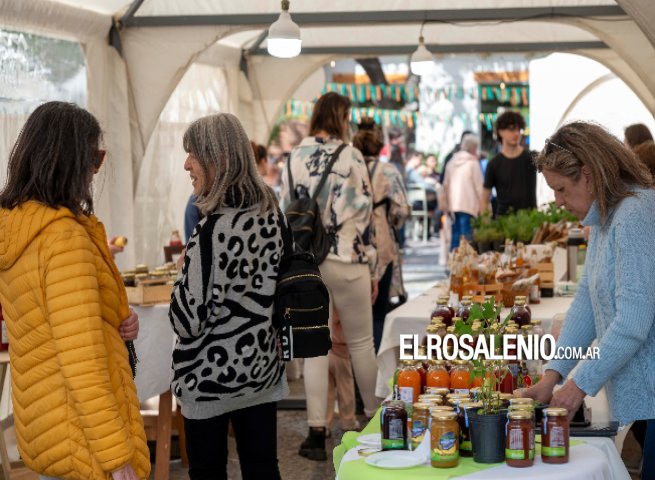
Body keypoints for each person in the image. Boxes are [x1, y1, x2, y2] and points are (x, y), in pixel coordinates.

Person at [0, 102, 150, 480]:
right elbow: (83, 361)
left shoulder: (18, 226)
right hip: (83, 436)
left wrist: (114, 318)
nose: (95, 170)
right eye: (93, 157)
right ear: (70, 160)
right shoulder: (64, 238)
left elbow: (46, 320)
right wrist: (117, 457)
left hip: (47, 421)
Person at [519, 121, 655, 480]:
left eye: (562, 189)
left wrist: (578, 387)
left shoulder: (634, 215)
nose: (558, 201)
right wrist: (552, 376)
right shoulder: (606, 216)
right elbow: (586, 303)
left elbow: (632, 323)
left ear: (589, 175)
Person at [170, 113, 287, 480]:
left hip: (209, 381)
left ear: (218, 159)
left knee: (207, 471)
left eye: (193, 155)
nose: (187, 164)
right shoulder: (272, 212)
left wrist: (181, 274)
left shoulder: (210, 230)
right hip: (261, 370)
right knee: (263, 467)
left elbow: (187, 322)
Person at [280, 92, 379, 461]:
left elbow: (285, 208)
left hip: (309, 264)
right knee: (360, 344)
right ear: (342, 117)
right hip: (349, 259)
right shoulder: (352, 155)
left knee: (315, 348)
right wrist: (371, 266)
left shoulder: (295, 156)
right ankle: (371, 422)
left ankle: (315, 432)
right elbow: (366, 216)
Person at [353, 118, 410, 352]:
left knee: (354, 316)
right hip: (381, 241)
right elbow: (402, 209)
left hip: (353, 242)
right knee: (378, 313)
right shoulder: (387, 171)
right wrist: (391, 220)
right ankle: (375, 370)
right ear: (378, 146)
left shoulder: (348, 169)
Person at [480, 111, 536, 217]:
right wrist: (485, 227)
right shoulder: (493, 164)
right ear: (500, 132)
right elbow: (484, 198)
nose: (516, 133)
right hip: (503, 223)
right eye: (511, 129)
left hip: (530, 221)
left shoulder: (532, 157)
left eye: (518, 129)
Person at [441, 133, 483, 251]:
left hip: (453, 205)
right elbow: (479, 187)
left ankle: (454, 263)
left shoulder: (451, 162)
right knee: (467, 237)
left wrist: (447, 204)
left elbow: (445, 184)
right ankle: (467, 264)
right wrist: (484, 205)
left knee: (455, 235)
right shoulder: (473, 163)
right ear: (473, 147)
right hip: (469, 205)